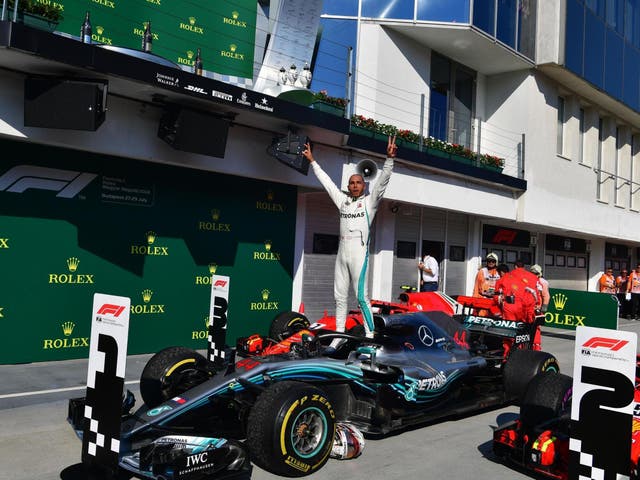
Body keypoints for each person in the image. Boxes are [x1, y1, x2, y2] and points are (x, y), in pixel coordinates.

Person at [302, 136, 396, 342]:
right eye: (351, 183)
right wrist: (312, 161)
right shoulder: (342, 201)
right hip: (341, 253)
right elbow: (327, 183)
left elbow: (382, 183)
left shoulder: (370, 203)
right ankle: (339, 334)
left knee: (361, 297)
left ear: (363, 186)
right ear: (348, 185)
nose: (354, 186)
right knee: (339, 297)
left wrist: (389, 160)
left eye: (358, 183)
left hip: (359, 254)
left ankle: (370, 335)